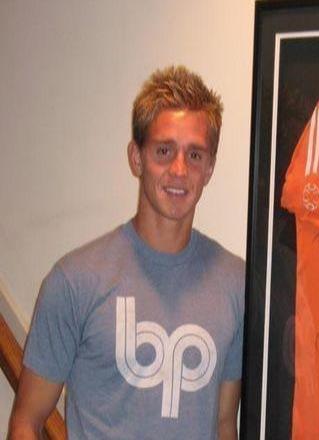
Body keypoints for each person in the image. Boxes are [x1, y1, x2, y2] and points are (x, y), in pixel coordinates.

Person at [8, 66, 245, 439]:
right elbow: (26, 421)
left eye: (195, 155)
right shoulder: (75, 280)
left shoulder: (236, 284)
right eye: (164, 151)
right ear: (137, 158)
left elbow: (223, 423)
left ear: (210, 168)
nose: (179, 170)